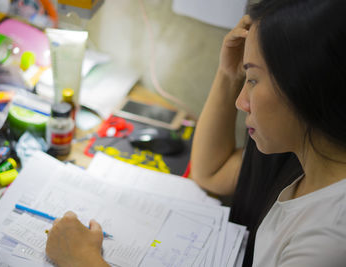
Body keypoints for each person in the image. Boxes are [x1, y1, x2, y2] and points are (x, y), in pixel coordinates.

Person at [45, 0, 346, 266]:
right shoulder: (303, 154)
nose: (241, 102)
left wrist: (81, 260)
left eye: (253, 80)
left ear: (304, 87)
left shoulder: (329, 240)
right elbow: (211, 172)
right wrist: (229, 74)